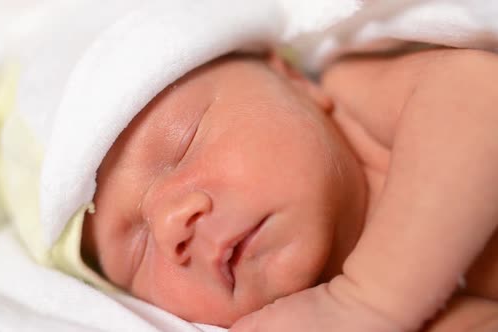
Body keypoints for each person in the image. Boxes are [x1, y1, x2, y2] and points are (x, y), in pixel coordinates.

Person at [79, 48, 498, 331]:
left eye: (184, 143)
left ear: (293, 80)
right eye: (138, 250)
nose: (172, 223)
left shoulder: (357, 100)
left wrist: (370, 301)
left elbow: (480, 95)